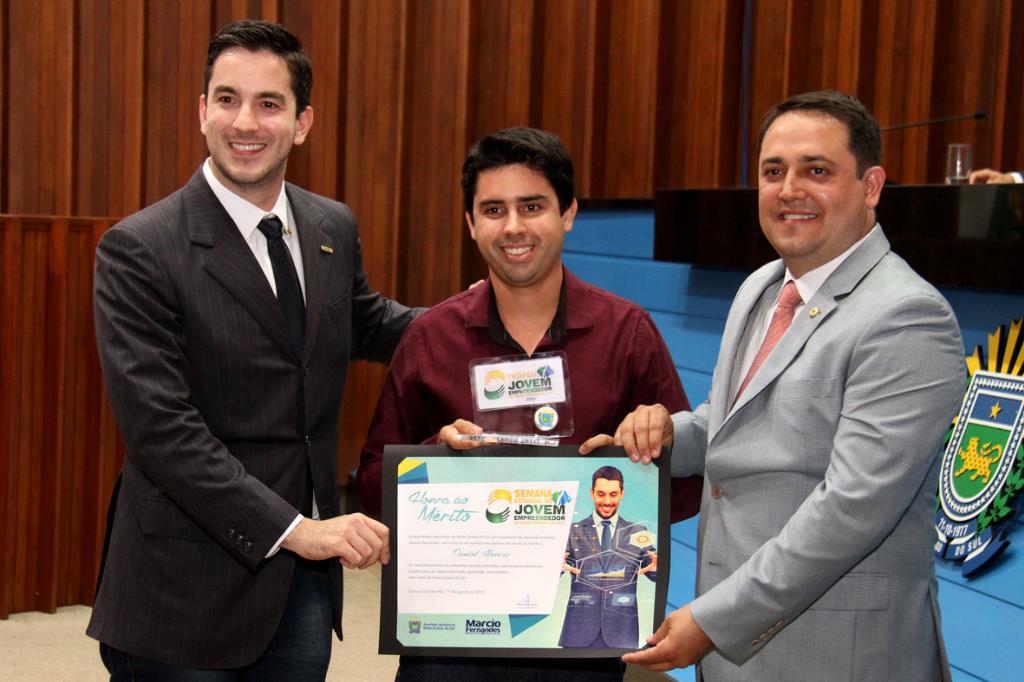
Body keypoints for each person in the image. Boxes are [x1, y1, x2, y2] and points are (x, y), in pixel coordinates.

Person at [583, 91, 966, 680]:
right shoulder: (762, 288)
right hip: (737, 654)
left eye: (817, 170)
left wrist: (713, 622)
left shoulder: (907, 316)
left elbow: (852, 508)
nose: (789, 190)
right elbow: (729, 426)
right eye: (773, 171)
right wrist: (660, 438)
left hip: (837, 657)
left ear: (870, 186)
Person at [88, 20, 418, 679]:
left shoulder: (330, 224)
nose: (245, 122)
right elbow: (163, 434)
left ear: (302, 123)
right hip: (182, 594)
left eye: (269, 103)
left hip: (301, 591)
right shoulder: (139, 249)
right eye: (228, 99)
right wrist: (301, 530)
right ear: (201, 111)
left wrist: (475, 319)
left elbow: (369, 323)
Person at [357, 126, 701, 681]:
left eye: (532, 206)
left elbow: (685, 493)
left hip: (580, 645)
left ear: (568, 213)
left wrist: (647, 453)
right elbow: (373, 482)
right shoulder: (430, 339)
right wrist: (434, 457)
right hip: (450, 646)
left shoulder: (628, 335)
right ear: (471, 223)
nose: (513, 226)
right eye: (493, 210)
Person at [560, 465, 656, 650]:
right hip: (578, 633)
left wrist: (658, 567)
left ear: (621, 494)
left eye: (613, 494)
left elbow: (655, 570)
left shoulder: (637, 531)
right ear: (592, 493)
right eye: (601, 494)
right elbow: (549, 574)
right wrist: (553, 567)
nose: (606, 501)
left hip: (621, 633)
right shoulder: (572, 531)